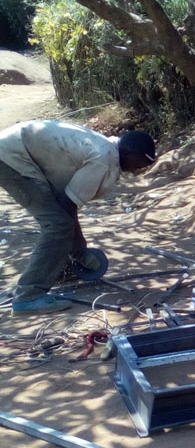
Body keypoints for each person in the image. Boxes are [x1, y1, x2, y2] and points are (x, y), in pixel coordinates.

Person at [0, 120, 156, 314]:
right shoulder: (104, 159)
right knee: (58, 224)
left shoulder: (104, 147)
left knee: (60, 221)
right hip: (12, 158)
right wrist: (80, 250)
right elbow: (68, 204)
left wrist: (78, 249)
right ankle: (28, 296)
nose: (134, 171)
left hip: (13, 150)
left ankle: (60, 272)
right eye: (138, 164)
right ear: (129, 152)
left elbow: (66, 203)